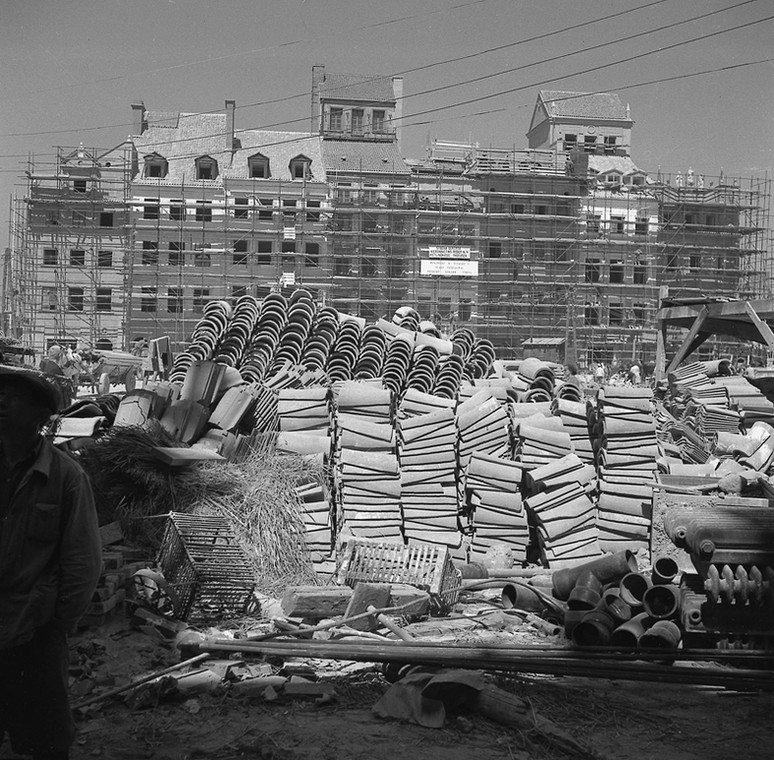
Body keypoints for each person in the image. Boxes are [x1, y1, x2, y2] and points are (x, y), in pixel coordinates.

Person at [0, 366, 102, 760]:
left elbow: (83, 561)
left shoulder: (66, 477)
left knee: (43, 742)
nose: (2, 401)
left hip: (33, 636)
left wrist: (54, 625)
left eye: (15, 397)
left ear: (41, 417)